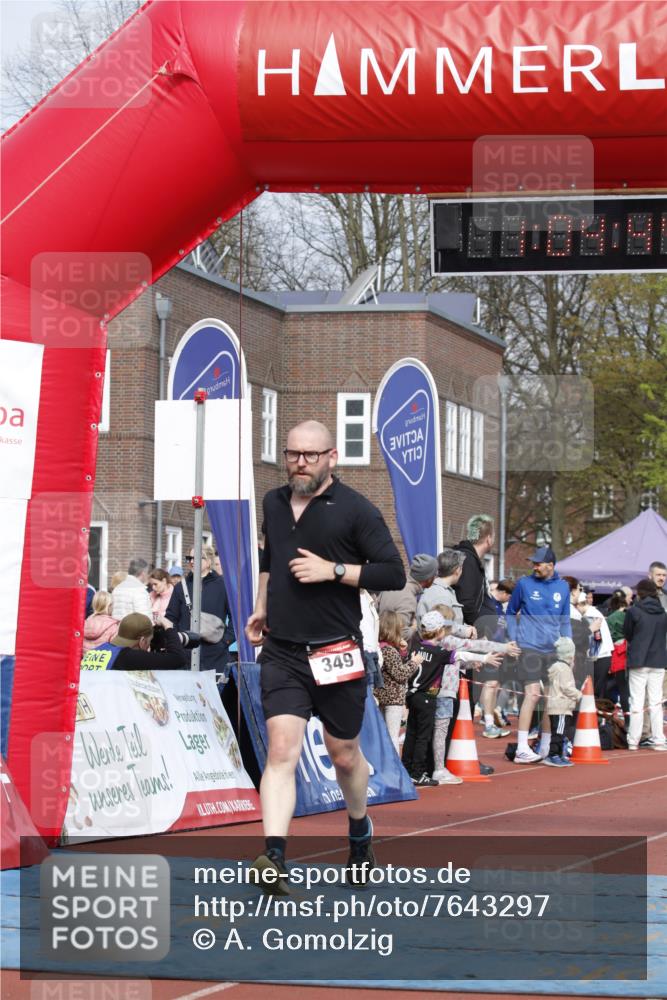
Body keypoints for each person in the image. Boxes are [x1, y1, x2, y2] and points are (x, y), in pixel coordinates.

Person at [245, 420, 405, 889]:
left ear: (332, 457)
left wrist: (333, 570)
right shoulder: (273, 502)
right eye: (292, 453)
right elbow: (270, 561)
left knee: (345, 754)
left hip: (336, 650)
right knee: (281, 751)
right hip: (283, 651)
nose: (299, 463)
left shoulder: (356, 509)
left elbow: (392, 574)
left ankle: (359, 832)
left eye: (310, 455)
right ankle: (273, 856)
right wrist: (260, 607)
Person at [506, 546, 572, 764]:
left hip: (553, 649)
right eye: (533, 563)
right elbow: (509, 612)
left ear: (550, 566)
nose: (534, 566)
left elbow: (565, 620)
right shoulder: (524, 584)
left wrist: (568, 648)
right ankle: (522, 748)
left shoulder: (562, 587)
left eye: (538, 563)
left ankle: (545, 746)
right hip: (529, 647)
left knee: (550, 699)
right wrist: (513, 638)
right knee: (533, 694)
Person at [166, 545, 234, 673]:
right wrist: (176, 643)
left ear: (209, 562)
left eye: (196, 558)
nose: (192, 561)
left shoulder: (224, 585)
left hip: (215, 656)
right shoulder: (181, 587)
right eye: (189, 558)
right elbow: (171, 618)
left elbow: (236, 619)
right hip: (186, 654)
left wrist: (225, 642)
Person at [623, 578, 667, 751]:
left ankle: (633, 740)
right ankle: (659, 740)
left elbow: (627, 633)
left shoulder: (634, 611)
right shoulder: (663, 613)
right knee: (656, 702)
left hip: (638, 660)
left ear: (640, 593)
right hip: (658, 661)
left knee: (637, 701)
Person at [80, 612, 189, 670]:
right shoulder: (127, 657)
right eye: (149, 641)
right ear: (142, 641)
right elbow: (178, 658)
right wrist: (169, 627)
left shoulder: (98, 650)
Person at [375, 610, 413, 754]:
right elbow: (400, 674)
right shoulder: (389, 650)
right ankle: (396, 770)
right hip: (393, 699)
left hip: (381, 696)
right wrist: (414, 663)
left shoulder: (380, 647)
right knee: (392, 737)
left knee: (383, 736)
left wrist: (402, 652)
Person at [416, 548, 475, 638]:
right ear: (457, 570)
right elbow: (442, 622)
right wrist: (465, 631)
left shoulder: (441, 591)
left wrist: (466, 627)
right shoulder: (440, 594)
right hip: (441, 649)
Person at [376, 553, 437, 639]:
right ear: (429, 578)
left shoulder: (394, 584)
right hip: (392, 649)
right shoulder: (408, 598)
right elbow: (399, 634)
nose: (435, 577)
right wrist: (413, 628)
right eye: (434, 574)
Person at [543, 636, 581, 767]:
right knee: (559, 732)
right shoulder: (564, 669)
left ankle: (558, 754)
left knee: (560, 731)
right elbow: (566, 688)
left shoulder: (558, 667)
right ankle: (553, 754)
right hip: (561, 707)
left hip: (559, 706)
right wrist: (579, 695)